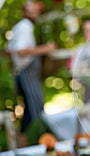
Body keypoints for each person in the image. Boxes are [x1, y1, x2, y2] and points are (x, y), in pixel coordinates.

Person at [6, 2, 56, 146]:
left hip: (21, 72)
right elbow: (21, 51)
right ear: (26, 12)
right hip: (26, 72)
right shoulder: (25, 27)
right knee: (36, 109)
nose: (36, 13)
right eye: (33, 10)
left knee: (28, 111)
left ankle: (22, 143)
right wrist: (44, 49)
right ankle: (41, 142)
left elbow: (9, 50)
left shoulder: (19, 27)